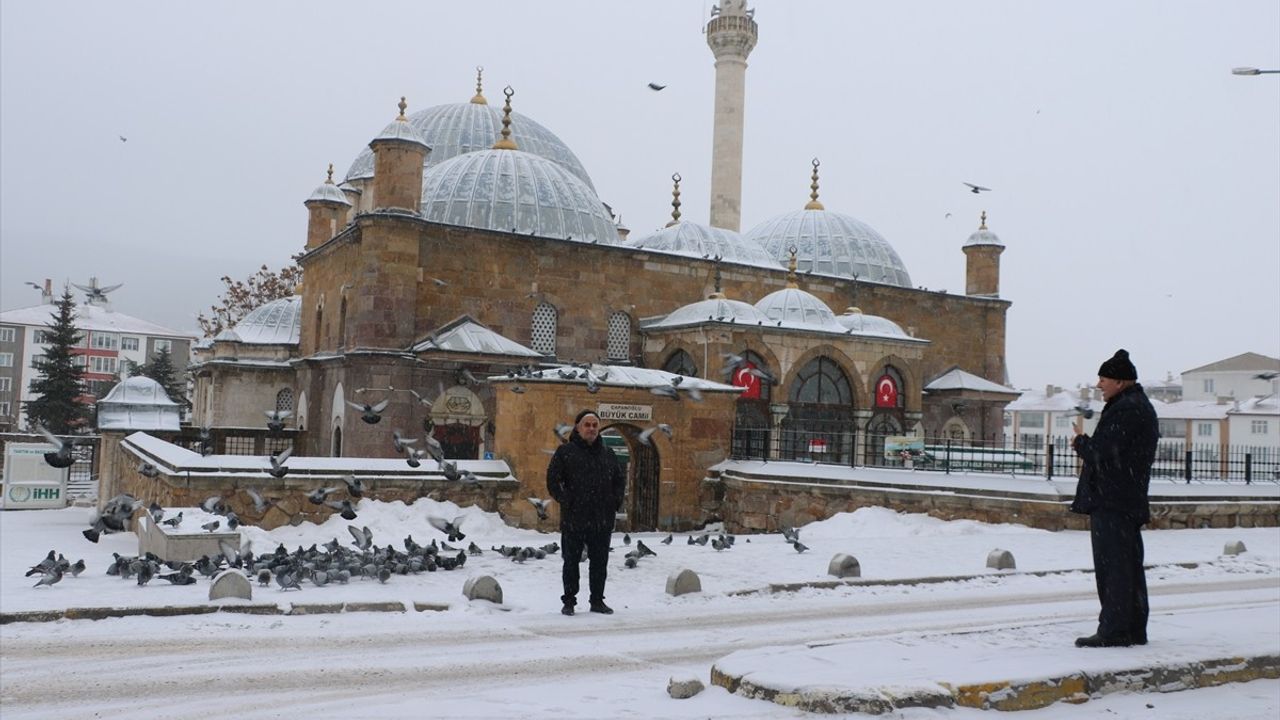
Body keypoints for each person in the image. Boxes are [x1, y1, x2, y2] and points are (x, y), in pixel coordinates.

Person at [1069, 349, 1160, 648]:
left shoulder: (1128, 409)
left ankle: (1115, 630)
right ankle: (1132, 628)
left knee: (1115, 569)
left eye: (1104, 378)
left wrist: (1080, 443)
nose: (1099, 384)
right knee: (1127, 567)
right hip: (1124, 498)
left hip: (1114, 500)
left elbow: (1102, 453)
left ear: (1121, 382)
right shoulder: (1133, 405)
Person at [547, 409, 626, 615]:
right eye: (587, 425)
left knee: (600, 563)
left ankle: (597, 600)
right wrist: (567, 500)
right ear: (578, 428)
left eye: (595, 425)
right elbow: (552, 480)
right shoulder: (565, 452)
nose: (591, 428)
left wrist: (614, 502)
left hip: (602, 519)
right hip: (575, 518)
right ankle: (569, 601)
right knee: (571, 562)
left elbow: (619, 481)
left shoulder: (608, 454)